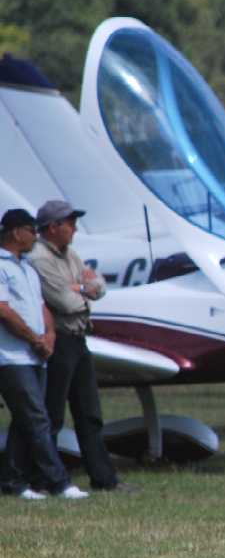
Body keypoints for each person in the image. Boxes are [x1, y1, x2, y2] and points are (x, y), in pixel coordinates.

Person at [29, 200, 128, 492]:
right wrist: (84, 289)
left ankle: (104, 478)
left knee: (89, 412)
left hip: (79, 338)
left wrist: (81, 288)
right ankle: (45, 477)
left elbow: (99, 286)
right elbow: (65, 302)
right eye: (70, 223)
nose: (74, 228)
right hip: (58, 340)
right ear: (53, 227)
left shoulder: (70, 254)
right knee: (53, 413)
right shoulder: (39, 259)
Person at [0, 209, 86, 500]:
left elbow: (41, 306)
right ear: (16, 232)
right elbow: (3, 311)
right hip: (11, 357)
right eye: (31, 231)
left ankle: (12, 481)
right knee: (37, 419)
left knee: (25, 419)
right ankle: (58, 482)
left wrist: (49, 335)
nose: (35, 237)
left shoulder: (26, 268)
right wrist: (33, 338)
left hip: (35, 355)